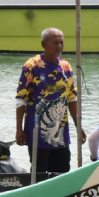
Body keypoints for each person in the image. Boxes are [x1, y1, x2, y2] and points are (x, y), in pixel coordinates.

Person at [15, 27, 84, 175]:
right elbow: (21, 99)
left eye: (61, 42)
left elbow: (72, 98)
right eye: (55, 43)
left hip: (61, 132)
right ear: (43, 44)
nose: (59, 46)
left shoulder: (66, 67)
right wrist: (19, 128)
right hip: (37, 131)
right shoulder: (31, 66)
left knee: (62, 171)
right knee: (39, 173)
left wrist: (79, 126)